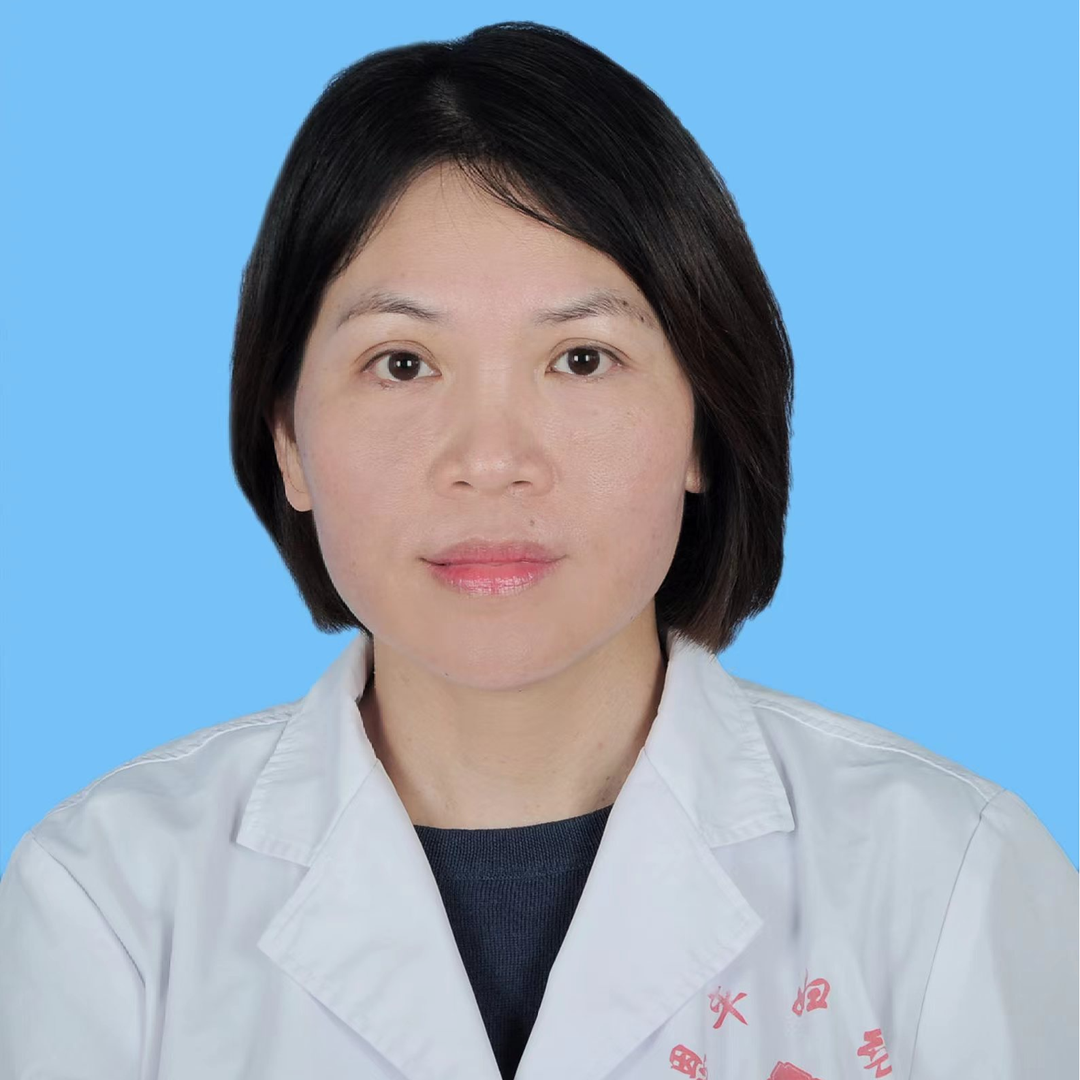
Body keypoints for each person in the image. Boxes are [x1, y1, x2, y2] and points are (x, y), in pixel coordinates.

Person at [0, 20, 1075, 1080]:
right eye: (403, 363)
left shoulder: (942, 880)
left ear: (704, 426)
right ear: (288, 439)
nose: (491, 460)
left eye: (581, 359)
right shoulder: (112, 904)